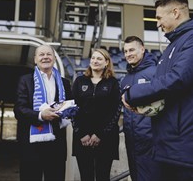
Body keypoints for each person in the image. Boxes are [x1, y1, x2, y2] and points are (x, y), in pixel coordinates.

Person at [122, 0, 193, 181]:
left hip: (188, 147)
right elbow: (164, 92)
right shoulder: (174, 45)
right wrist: (145, 108)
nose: (157, 23)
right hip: (170, 144)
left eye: (159, 17)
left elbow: (177, 80)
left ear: (175, 12)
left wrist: (133, 94)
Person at [14, 45, 72, 181]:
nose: (45, 57)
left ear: (53, 58)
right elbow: (19, 110)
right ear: (35, 59)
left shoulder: (65, 83)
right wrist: (40, 115)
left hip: (56, 145)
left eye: (48, 54)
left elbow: (70, 107)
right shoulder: (25, 80)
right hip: (31, 147)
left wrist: (67, 110)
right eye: (41, 54)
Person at [72, 48, 120, 181]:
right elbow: (73, 109)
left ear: (106, 63)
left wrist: (100, 134)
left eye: (99, 58)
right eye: (93, 58)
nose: (95, 61)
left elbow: (115, 110)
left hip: (105, 137)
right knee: (85, 176)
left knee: (103, 176)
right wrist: (81, 133)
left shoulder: (113, 83)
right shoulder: (80, 81)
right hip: (83, 138)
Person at [121, 36, 160, 181]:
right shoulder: (125, 79)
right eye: (125, 51)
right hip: (131, 139)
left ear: (142, 49)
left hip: (150, 139)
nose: (128, 54)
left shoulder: (155, 73)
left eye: (131, 50)